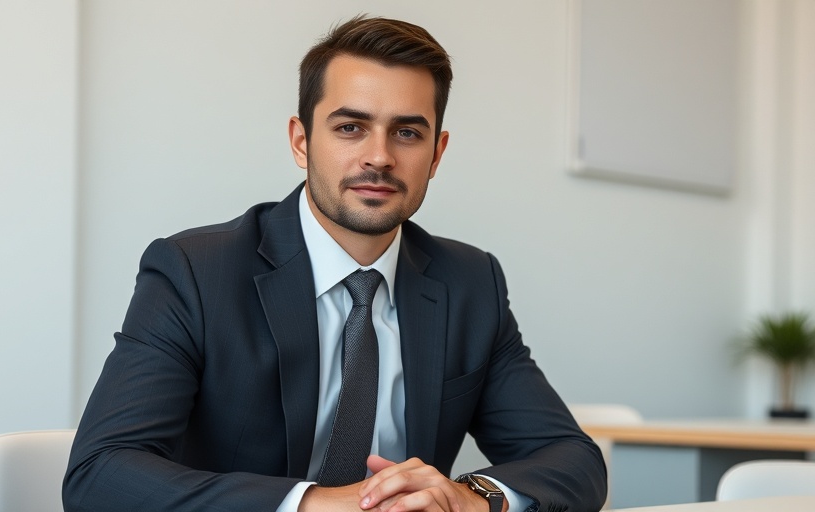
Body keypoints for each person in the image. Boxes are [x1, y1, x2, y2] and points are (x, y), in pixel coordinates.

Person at [63, 15, 606, 512]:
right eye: (350, 127)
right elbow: (100, 474)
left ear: (436, 155)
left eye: (408, 132)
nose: (379, 156)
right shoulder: (195, 272)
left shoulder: (469, 283)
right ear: (302, 142)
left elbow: (570, 458)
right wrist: (314, 503)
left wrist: (473, 496)